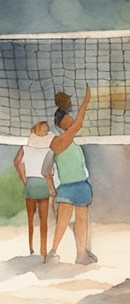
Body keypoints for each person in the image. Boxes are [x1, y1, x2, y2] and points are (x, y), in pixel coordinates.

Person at [47, 89, 95, 265]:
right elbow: (79, 123)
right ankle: (53, 252)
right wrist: (86, 102)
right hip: (67, 187)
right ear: (62, 123)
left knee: (82, 221)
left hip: (82, 185)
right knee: (62, 222)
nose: (72, 119)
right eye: (68, 117)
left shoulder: (72, 141)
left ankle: (81, 254)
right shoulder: (58, 141)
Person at [14, 122, 53, 258]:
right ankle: (43, 249)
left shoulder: (26, 147)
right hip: (42, 182)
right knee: (43, 221)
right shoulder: (50, 148)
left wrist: (23, 178)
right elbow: (52, 168)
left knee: (31, 219)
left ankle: (31, 248)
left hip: (31, 182)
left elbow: (17, 162)